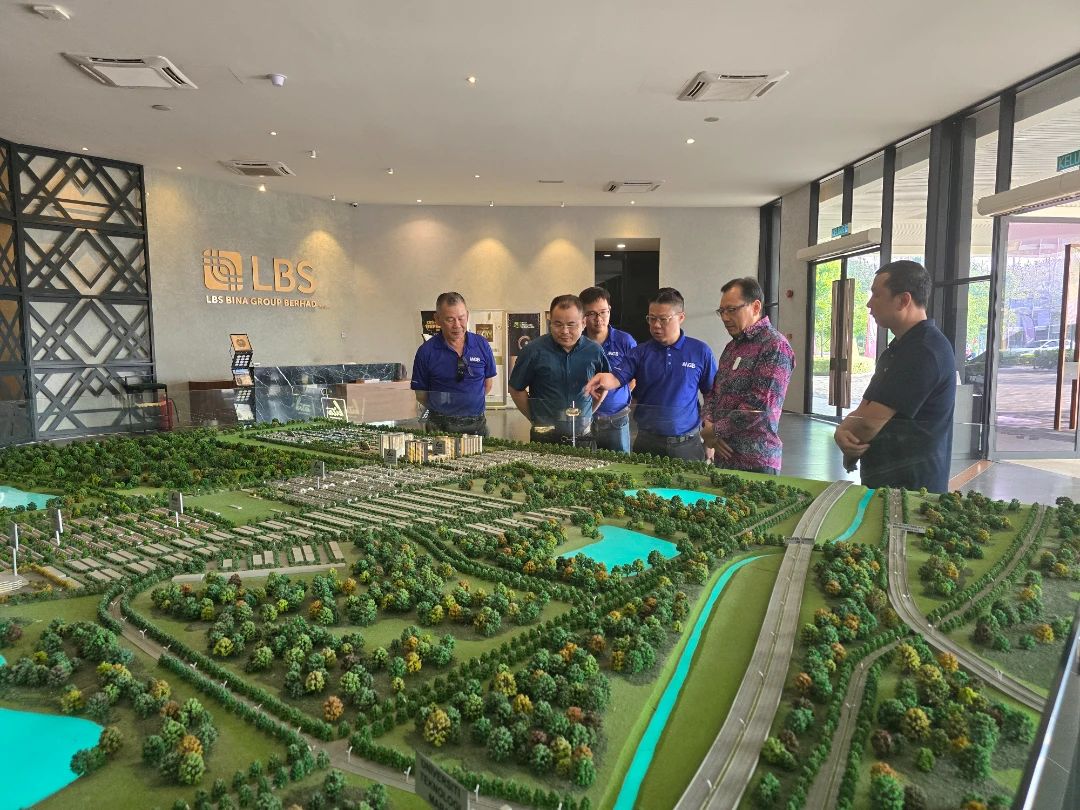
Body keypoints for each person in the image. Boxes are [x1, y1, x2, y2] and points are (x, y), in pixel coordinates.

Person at [833, 260, 956, 492]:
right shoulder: (899, 348)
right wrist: (842, 430)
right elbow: (866, 408)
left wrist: (843, 432)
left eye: (876, 295)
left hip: (911, 490)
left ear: (903, 300)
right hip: (888, 482)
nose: (869, 303)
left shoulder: (923, 351)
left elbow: (868, 423)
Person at [584, 287, 717, 459]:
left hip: (687, 443)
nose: (656, 325)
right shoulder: (640, 352)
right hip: (648, 442)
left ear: (681, 317)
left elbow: (712, 394)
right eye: (651, 318)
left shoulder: (700, 351)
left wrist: (710, 435)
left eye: (663, 319)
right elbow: (617, 377)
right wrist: (603, 379)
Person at [702, 277, 794, 474]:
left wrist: (714, 431)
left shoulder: (775, 345)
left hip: (756, 462)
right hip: (723, 458)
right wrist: (708, 423)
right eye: (721, 311)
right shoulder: (732, 347)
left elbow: (759, 405)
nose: (725, 317)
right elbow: (714, 392)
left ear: (755, 307)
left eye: (731, 310)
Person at [508, 294, 610, 446]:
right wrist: (536, 419)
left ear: (583, 323)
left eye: (571, 325)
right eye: (558, 324)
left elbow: (604, 385)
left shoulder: (594, 351)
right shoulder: (533, 350)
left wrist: (587, 414)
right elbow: (516, 389)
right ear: (550, 322)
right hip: (545, 439)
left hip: (583, 437)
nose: (565, 331)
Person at [410, 291, 496, 435]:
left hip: (476, 425)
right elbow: (421, 395)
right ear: (437, 319)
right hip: (439, 427)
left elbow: (487, 386)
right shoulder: (426, 351)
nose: (457, 325)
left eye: (461, 318)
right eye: (450, 319)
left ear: (467, 315)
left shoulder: (482, 345)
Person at [579, 286, 637, 452]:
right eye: (591, 314)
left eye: (603, 312)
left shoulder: (625, 341)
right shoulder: (577, 342)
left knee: (619, 464)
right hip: (584, 418)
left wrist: (618, 395)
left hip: (616, 419)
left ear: (610, 310)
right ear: (582, 315)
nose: (598, 319)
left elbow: (634, 377)